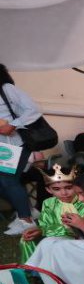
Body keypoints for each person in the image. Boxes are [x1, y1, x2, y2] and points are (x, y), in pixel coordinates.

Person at [0, 63, 45, 236]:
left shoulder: (7, 89)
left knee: (8, 180)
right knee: (4, 181)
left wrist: (13, 124)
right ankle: (28, 211)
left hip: (14, 143)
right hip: (2, 146)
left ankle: (26, 220)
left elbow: (34, 110)